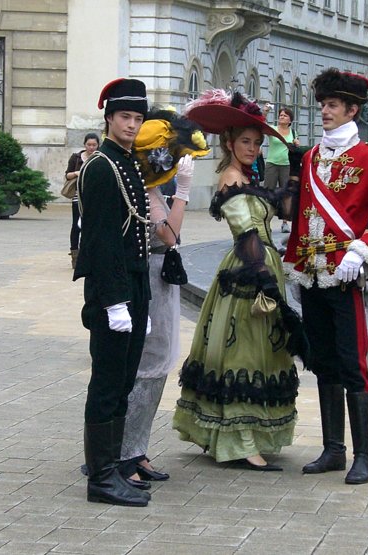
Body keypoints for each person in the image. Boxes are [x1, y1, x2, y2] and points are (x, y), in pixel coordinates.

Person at [173, 89, 308, 471]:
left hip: (262, 265)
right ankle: (240, 441)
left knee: (259, 354)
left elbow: (282, 209)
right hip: (249, 272)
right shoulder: (231, 180)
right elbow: (246, 233)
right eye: (245, 142)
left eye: (256, 143)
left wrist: (296, 174)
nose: (251, 148)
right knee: (244, 354)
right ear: (229, 143)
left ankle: (243, 436)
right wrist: (263, 280)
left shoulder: (247, 176)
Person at [284, 68, 368, 485]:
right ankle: (334, 449)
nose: (325, 112)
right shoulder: (312, 157)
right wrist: (293, 261)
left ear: (353, 109)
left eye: (333, 105)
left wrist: (364, 249)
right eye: (323, 105)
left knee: (354, 364)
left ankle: (363, 455)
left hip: (345, 273)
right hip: (312, 274)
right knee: (323, 362)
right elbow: (303, 211)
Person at [117, 110, 210, 488]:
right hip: (151, 281)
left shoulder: (150, 186)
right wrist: (184, 193)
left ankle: (136, 449)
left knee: (155, 366)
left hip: (159, 280)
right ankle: (126, 453)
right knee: (149, 367)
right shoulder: (146, 188)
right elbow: (169, 235)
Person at [74, 78, 151, 507]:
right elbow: (101, 240)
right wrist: (115, 300)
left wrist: (141, 299)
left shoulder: (127, 161)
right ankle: (100, 477)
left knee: (124, 380)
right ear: (108, 119)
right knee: (106, 382)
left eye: (138, 118)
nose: (132, 125)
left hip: (133, 284)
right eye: (125, 117)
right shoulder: (101, 166)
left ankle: (117, 466)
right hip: (111, 290)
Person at [262, 105, 300, 233]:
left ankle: (285, 222)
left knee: (286, 193)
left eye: (285, 115)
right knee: (268, 192)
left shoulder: (293, 132)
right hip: (272, 164)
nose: (281, 117)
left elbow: (296, 147)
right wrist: (265, 112)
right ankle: (266, 220)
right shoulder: (273, 129)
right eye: (280, 115)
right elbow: (262, 125)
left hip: (286, 165)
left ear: (290, 120)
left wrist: (296, 144)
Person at [65, 133, 100, 269]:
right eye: (89, 145)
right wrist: (77, 173)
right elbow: (67, 175)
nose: (91, 147)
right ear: (84, 145)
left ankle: (90, 255)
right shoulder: (76, 157)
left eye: (94, 145)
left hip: (95, 197)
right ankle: (75, 254)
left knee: (92, 225)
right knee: (77, 225)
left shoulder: (100, 158)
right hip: (78, 196)